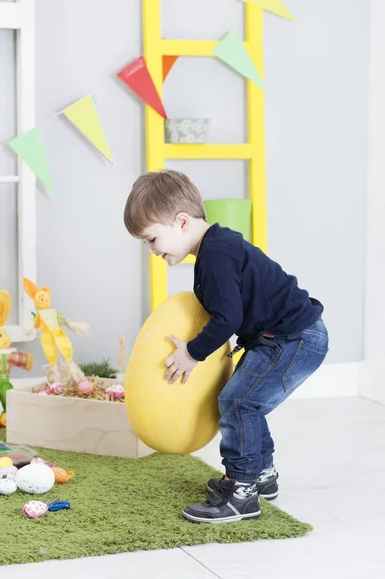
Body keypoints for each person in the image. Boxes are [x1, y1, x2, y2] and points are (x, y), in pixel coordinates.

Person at [124, 169, 329, 524]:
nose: (151, 250)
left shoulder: (216, 255)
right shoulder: (215, 249)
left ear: (181, 221)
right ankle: (261, 474)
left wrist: (191, 353)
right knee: (246, 400)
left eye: (152, 239)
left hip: (294, 338)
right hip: (282, 335)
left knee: (238, 402)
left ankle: (241, 492)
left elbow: (228, 317)